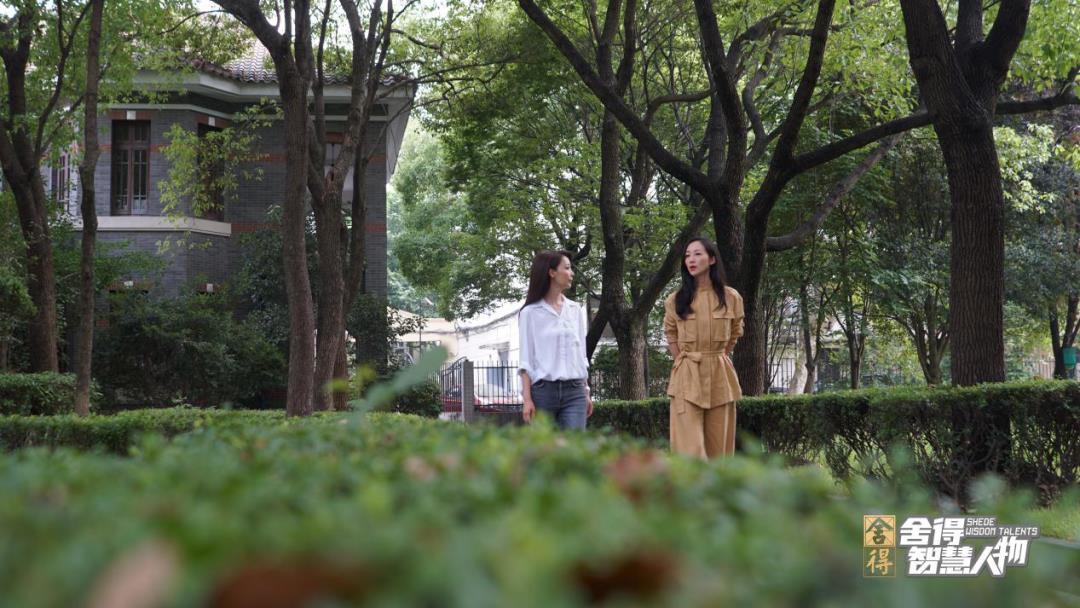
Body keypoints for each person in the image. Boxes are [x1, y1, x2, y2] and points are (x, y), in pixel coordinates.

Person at [663, 237, 744, 459]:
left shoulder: (731, 297)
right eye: (687, 255)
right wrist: (681, 360)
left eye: (697, 254)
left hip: (720, 376)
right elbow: (671, 334)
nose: (691, 259)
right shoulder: (675, 300)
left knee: (719, 450)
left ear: (712, 259)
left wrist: (718, 356)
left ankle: (717, 483)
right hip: (687, 375)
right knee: (689, 449)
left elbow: (735, 331)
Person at [518, 250, 593, 429]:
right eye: (567, 268)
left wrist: (586, 392)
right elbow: (526, 361)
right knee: (545, 446)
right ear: (552, 272)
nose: (571, 273)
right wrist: (527, 399)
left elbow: (581, 356)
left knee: (575, 445)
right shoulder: (530, 313)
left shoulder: (575, 310)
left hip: (575, 392)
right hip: (543, 393)